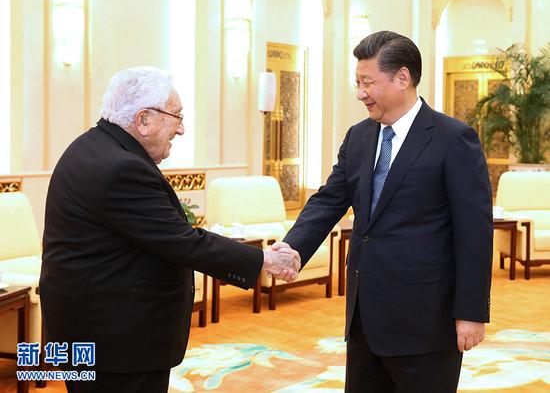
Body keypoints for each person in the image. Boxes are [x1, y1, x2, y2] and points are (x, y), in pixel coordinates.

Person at [39, 66, 300, 393]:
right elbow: (182, 242)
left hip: (95, 330)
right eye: (177, 117)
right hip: (117, 342)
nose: (182, 129)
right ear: (144, 120)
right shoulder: (121, 168)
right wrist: (264, 260)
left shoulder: (92, 146)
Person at [273, 31, 493, 392]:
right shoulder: (358, 136)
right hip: (364, 316)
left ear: (402, 78)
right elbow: (329, 199)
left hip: (425, 321)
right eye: (357, 83)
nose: (360, 93)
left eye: (367, 82)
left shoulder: (453, 139)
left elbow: (474, 232)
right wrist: (293, 247)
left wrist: (471, 312)